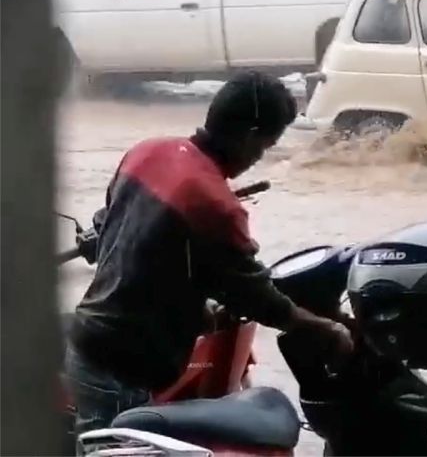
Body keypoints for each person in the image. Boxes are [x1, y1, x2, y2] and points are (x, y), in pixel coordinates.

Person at [65, 71, 354, 434]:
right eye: (264, 147)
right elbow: (257, 298)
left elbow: (119, 235)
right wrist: (324, 328)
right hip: (122, 368)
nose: (257, 158)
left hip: (88, 340)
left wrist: (193, 307)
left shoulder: (146, 152)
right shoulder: (215, 203)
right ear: (250, 137)